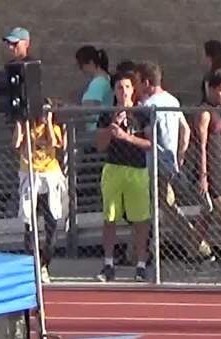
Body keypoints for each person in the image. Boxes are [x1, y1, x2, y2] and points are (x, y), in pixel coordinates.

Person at [135, 61, 192, 280]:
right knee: (153, 206)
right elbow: (185, 130)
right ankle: (140, 252)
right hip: (169, 161)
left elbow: (147, 138)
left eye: (139, 82)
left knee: (163, 206)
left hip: (154, 163)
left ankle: (197, 246)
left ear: (147, 82)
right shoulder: (172, 100)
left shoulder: (147, 105)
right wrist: (180, 155)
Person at [95, 71, 152, 283]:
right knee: (110, 217)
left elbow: (150, 143)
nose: (124, 92)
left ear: (133, 89)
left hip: (137, 170)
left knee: (140, 219)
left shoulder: (142, 113)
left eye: (127, 87)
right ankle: (108, 264)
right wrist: (112, 129)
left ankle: (140, 265)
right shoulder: (107, 113)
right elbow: (100, 145)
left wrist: (127, 137)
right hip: (113, 168)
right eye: (119, 87)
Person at [14, 104, 66, 280]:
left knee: (51, 222)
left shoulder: (55, 127)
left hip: (49, 174)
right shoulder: (28, 127)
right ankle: (33, 262)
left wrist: (49, 122)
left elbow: (53, 142)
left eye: (47, 112)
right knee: (30, 222)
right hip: (30, 173)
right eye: (41, 112)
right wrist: (22, 126)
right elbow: (16, 144)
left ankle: (45, 263)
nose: (44, 115)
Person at [194, 70, 221, 267]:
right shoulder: (204, 112)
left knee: (207, 214)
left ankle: (193, 249)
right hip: (210, 168)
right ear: (210, 88)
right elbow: (201, 144)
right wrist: (203, 174)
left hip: (219, 166)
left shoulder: (218, 110)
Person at [76, 45, 113, 130]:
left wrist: (67, 107)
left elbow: (88, 108)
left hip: (95, 130)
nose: (81, 69)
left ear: (91, 63)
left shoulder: (98, 82)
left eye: (81, 65)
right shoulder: (105, 78)